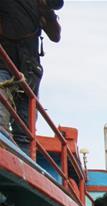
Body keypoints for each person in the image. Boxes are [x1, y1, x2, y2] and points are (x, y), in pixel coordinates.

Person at [0, 0, 61, 149]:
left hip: (28, 70)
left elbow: (55, 35)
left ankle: (22, 163)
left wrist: (46, 9)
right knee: (2, 120)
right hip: (5, 64)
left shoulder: (40, 5)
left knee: (25, 131)